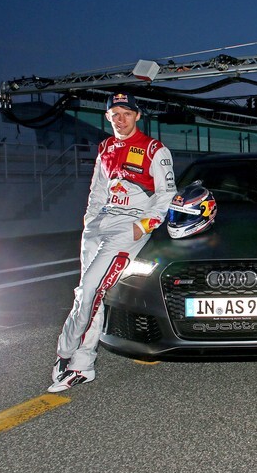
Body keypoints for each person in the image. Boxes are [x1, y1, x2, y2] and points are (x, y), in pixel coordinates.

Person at [48, 92, 176, 392]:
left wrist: (143, 225)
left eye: (127, 113)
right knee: (87, 294)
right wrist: (89, 222)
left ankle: (65, 354)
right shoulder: (105, 147)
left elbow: (167, 194)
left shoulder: (155, 150)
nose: (121, 119)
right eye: (115, 114)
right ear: (108, 118)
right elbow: (97, 190)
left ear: (137, 116)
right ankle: (83, 364)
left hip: (127, 227)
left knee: (91, 288)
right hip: (98, 226)